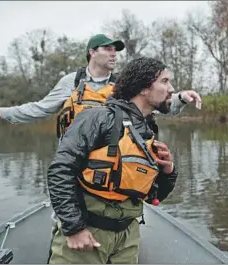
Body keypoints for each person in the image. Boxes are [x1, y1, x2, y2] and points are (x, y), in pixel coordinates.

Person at [47, 56, 178, 264]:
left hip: (128, 238)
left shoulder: (148, 130)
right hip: (87, 233)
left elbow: (154, 196)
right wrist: (74, 228)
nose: (171, 89)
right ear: (144, 88)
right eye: (165, 81)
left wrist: (168, 171)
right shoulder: (98, 118)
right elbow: (60, 171)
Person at [0, 33, 202, 131]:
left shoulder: (122, 84)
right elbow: (40, 108)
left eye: (116, 50)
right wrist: (2, 112)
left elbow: (158, 106)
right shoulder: (71, 81)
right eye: (108, 49)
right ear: (92, 52)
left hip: (110, 160)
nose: (114, 54)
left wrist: (181, 98)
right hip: (75, 159)